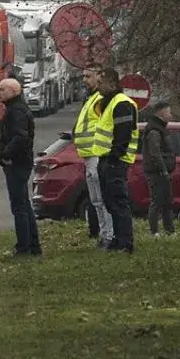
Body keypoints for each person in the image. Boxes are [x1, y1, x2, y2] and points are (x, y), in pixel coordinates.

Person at [95, 68, 139, 253]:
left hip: (116, 161)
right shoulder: (111, 102)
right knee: (110, 201)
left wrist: (115, 156)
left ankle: (125, 242)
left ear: (112, 82)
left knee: (118, 202)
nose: (98, 87)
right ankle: (118, 239)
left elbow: (123, 133)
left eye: (100, 83)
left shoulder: (121, 103)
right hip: (107, 159)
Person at [0, 78, 41, 256]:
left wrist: (6, 153)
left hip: (17, 163)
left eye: (2, 90)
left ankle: (24, 247)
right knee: (24, 204)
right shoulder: (15, 109)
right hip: (19, 162)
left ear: (14, 91)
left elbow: (20, 137)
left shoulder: (17, 111)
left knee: (19, 206)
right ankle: (32, 245)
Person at [71, 64, 113, 247]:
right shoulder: (92, 98)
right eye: (83, 76)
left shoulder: (100, 99)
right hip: (89, 155)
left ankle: (109, 236)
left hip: (97, 154)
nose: (84, 80)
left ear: (99, 76)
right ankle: (104, 236)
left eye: (88, 76)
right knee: (96, 200)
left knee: (102, 199)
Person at [141, 100, 177, 236]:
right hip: (157, 172)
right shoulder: (154, 130)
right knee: (157, 201)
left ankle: (170, 230)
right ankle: (154, 231)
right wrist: (162, 169)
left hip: (163, 171)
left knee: (167, 201)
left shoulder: (160, 128)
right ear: (162, 113)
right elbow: (155, 152)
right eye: (168, 112)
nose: (171, 115)